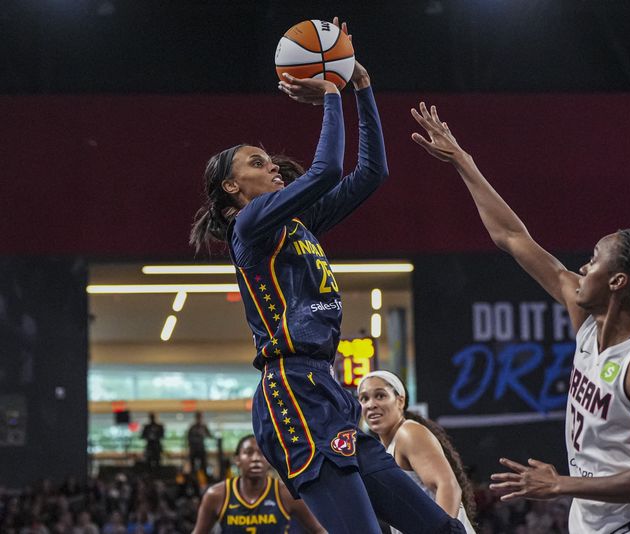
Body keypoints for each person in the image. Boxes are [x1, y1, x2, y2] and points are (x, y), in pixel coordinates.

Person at [189, 19, 465, 534]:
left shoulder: (296, 224)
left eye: (271, 160)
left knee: (440, 529)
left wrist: (360, 85)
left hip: (327, 389)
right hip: (290, 393)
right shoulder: (249, 226)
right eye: (257, 162)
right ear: (231, 187)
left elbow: (371, 174)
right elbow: (326, 172)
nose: (272, 167)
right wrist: (332, 92)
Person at [410, 102, 630, 533]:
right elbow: (512, 237)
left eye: (594, 260)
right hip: (593, 519)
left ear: (618, 281)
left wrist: (559, 485)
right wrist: (463, 161)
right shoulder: (587, 320)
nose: (583, 267)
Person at [357, 370, 477, 533]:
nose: (371, 404)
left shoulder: (408, 433)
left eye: (380, 396)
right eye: (364, 398)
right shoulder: (387, 448)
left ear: (400, 401)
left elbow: (448, 486)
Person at [192, 435, 324, 534]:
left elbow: (320, 531)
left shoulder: (286, 493)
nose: (255, 458)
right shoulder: (216, 495)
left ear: (269, 460)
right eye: (248, 452)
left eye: (261, 453)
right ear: (237, 460)